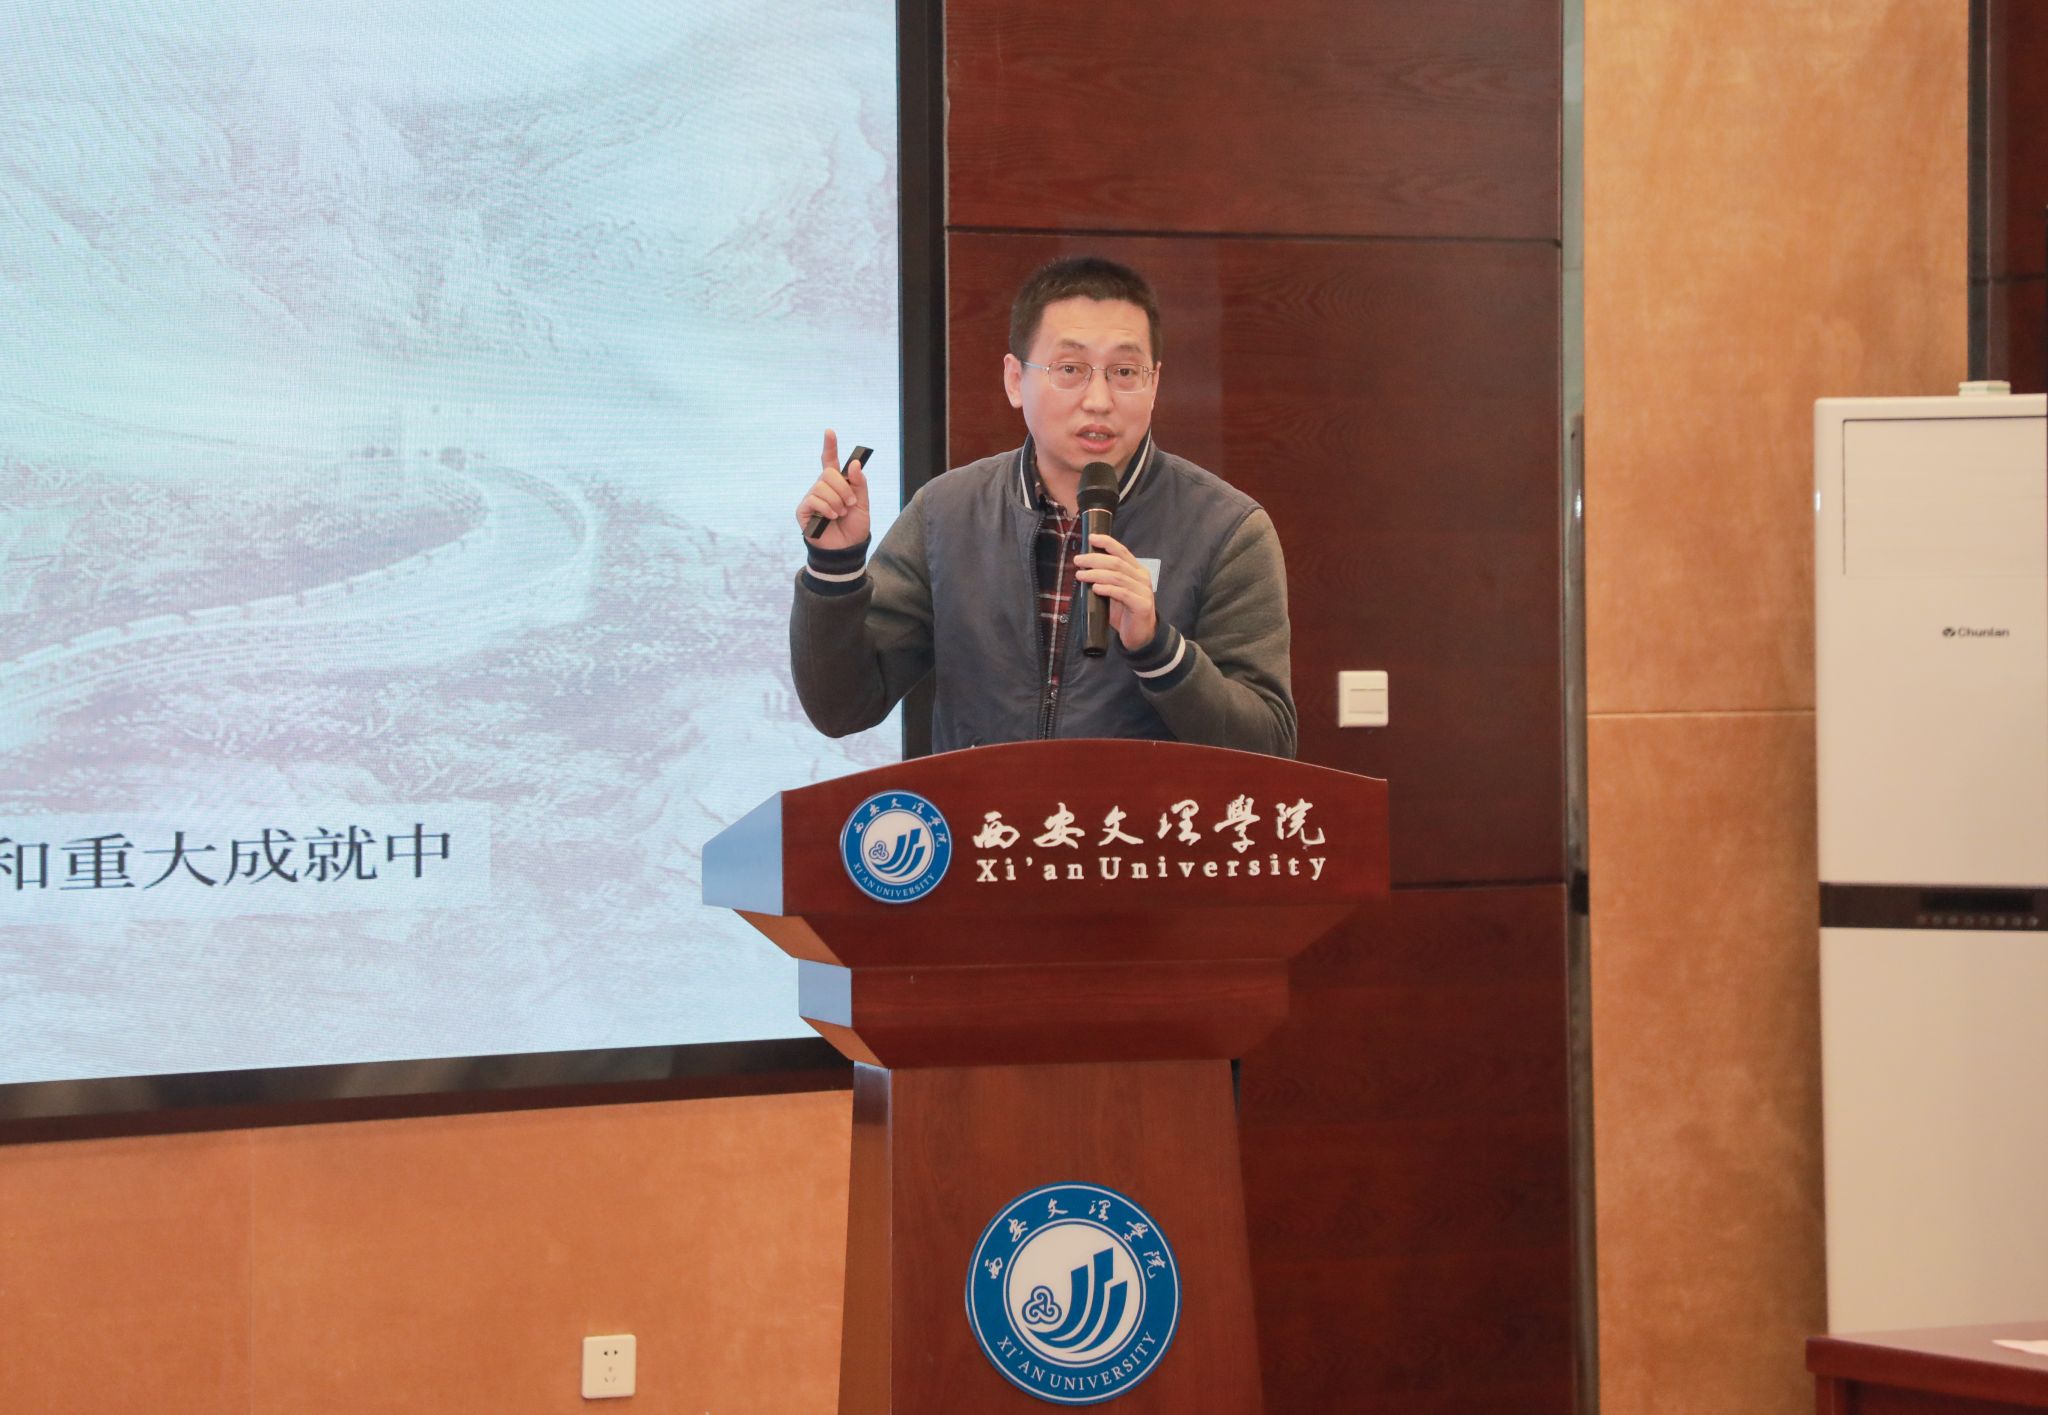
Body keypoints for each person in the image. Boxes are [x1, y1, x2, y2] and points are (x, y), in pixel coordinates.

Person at [790, 256, 1296, 757]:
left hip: (1143, 815)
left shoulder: (1227, 530)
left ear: (1154, 384)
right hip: (985, 811)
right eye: (1070, 369)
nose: (1098, 400)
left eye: (1124, 371)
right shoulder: (946, 513)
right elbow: (842, 708)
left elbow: (1269, 746)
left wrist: (1160, 649)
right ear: (1015, 379)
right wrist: (835, 566)